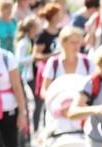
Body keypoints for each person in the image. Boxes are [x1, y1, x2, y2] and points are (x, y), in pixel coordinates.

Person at [40, 26, 94, 97]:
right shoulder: (53, 62)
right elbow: (44, 90)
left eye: (78, 42)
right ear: (62, 43)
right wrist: (54, 99)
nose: (76, 46)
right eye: (72, 42)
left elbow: (94, 87)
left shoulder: (87, 61)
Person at [32, 2, 62, 132]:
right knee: (45, 101)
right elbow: (35, 55)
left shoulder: (61, 31)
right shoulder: (42, 34)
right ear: (54, 16)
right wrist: (51, 55)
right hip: (47, 71)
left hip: (60, 70)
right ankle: (42, 128)